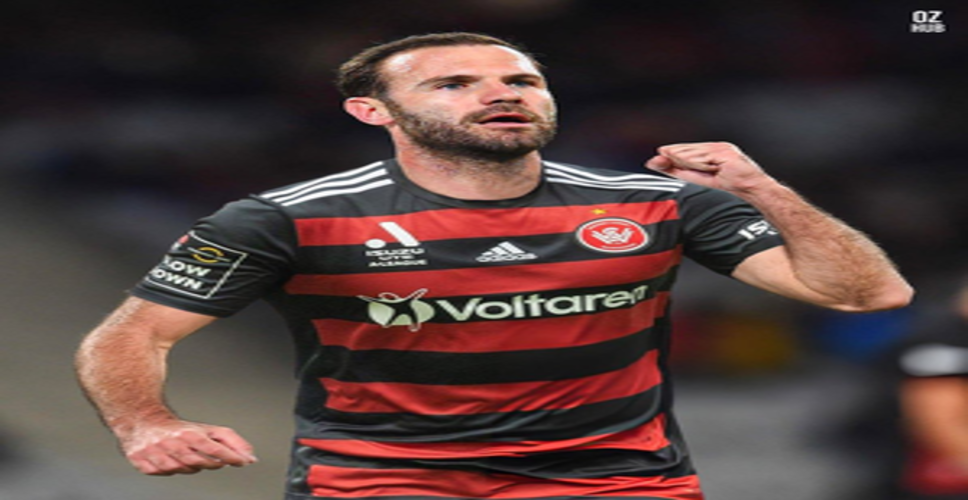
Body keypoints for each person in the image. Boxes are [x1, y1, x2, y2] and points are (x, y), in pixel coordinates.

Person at [74, 32, 914, 500]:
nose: (502, 92)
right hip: (383, 481)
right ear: (372, 111)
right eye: (454, 83)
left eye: (522, 79)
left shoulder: (658, 202)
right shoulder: (284, 218)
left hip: (614, 480)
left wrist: (765, 189)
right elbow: (133, 334)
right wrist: (148, 423)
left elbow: (867, 293)